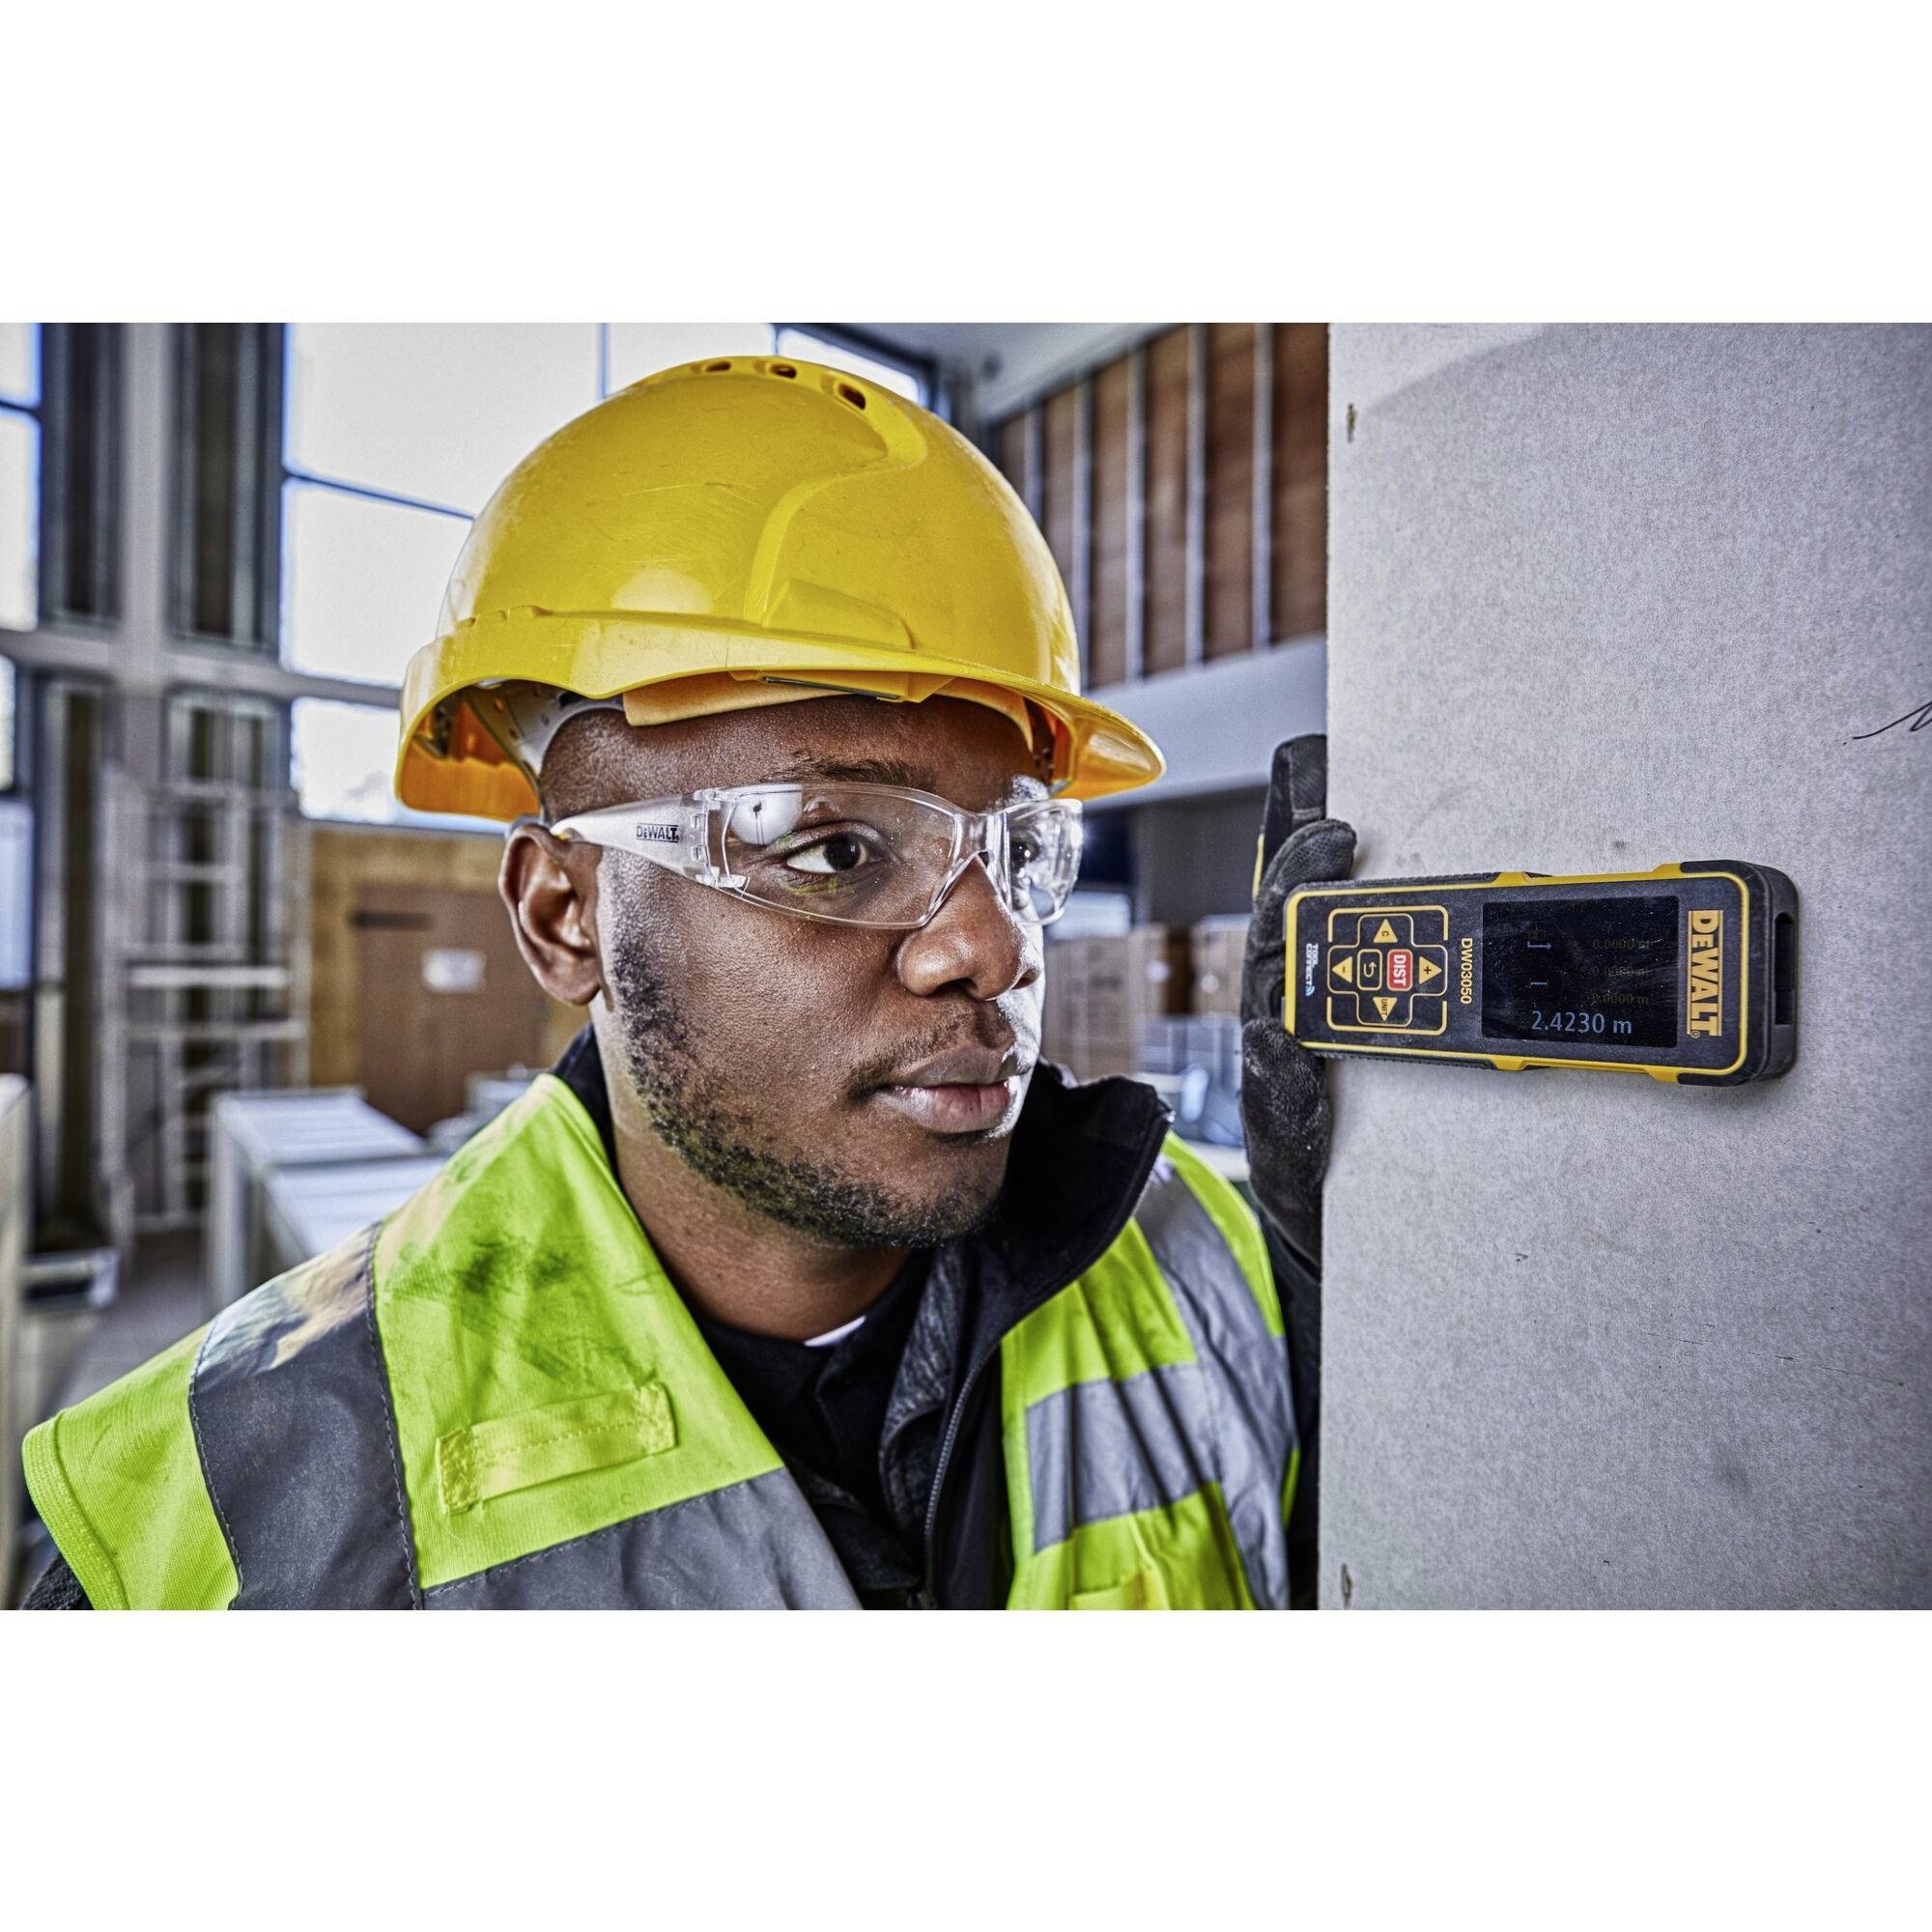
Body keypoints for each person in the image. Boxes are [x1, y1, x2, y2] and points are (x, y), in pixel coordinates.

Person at [22, 355, 1349, 1609]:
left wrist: (1360, 1316)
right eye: (833, 847)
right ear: (566, 914)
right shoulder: (211, 1533)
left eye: (1018, 850)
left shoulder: (1223, 1275)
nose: (993, 948)